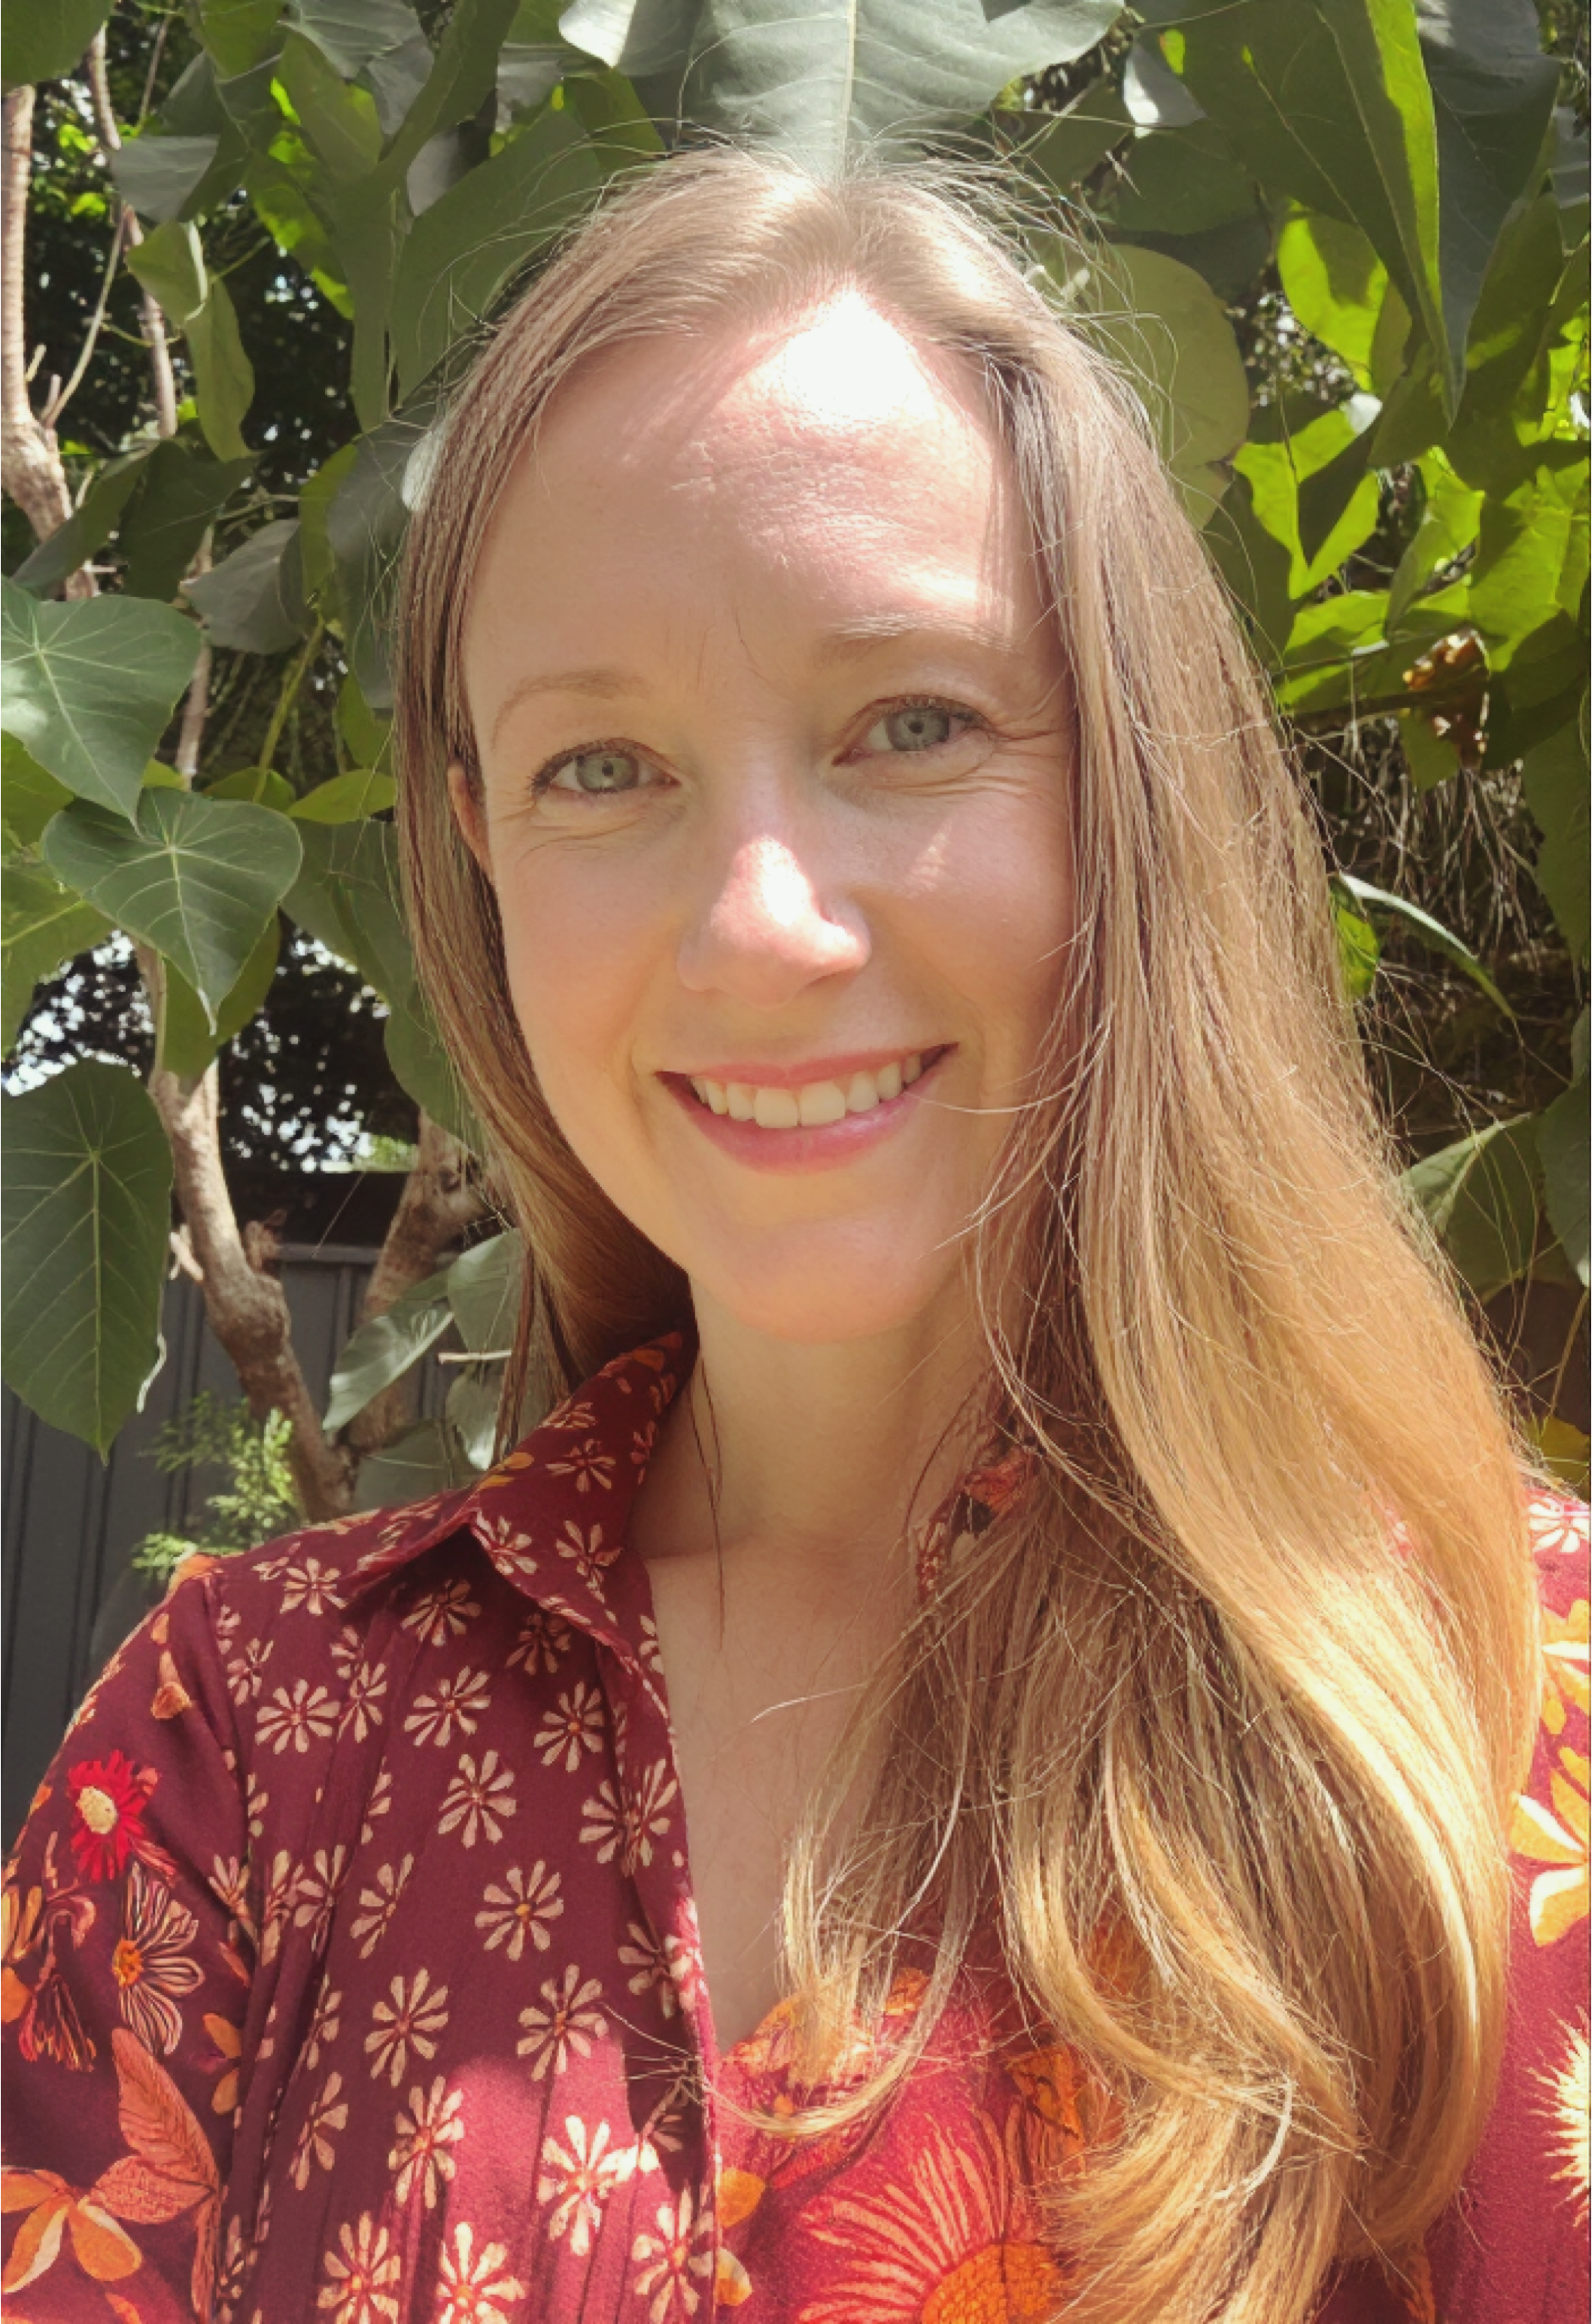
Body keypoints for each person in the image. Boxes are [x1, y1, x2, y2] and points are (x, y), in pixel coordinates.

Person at [2, 152, 1585, 2324]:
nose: (757, 926)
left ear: (1125, 781)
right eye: (600, 767)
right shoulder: (240, 1759)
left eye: (910, 723)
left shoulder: (1509, 1716)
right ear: (477, 848)